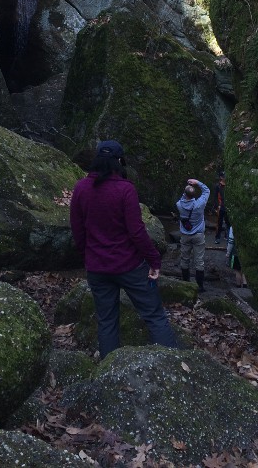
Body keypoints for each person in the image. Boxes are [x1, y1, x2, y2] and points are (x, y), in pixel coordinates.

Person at [70, 139, 178, 359]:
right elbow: (137, 232)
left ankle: (110, 373)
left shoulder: (81, 188)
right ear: (119, 161)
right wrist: (154, 260)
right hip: (129, 266)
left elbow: (77, 230)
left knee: (107, 321)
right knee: (154, 315)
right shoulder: (125, 189)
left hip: (97, 268)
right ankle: (172, 364)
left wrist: (87, 257)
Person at [176, 177, 210, 292]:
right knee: (199, 261)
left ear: (185, 194)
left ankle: (186, 283)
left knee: (184, 259)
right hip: (198, 235)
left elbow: (183, 197)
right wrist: (197, 183)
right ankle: (200, 286)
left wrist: (188, 188)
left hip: (185, 236)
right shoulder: (200, 204)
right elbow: (207, 191)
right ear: (194, 195)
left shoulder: (179, 205)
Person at [213, 170, 230, 244]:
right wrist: (217, 206)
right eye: (224, 176)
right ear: (221, 177)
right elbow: (215, 197)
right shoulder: (218, 186)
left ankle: (227, 236)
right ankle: (217, 237)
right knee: (219, 223)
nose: (225, 177)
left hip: (228, 207)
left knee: (228, 222)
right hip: (221, 207)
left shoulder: (228, 185)